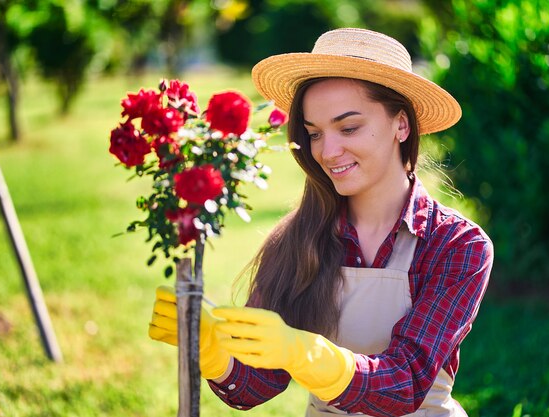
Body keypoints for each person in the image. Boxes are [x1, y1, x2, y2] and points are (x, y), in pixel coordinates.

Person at [149, 28, 493, 417]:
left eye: (348, 128)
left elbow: (407, 382)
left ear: (401, 124)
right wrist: (214, 353)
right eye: (314, 133)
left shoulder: (457, 245)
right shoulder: (298, 239)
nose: (327, 152)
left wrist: (307, 353)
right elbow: (255, 386)